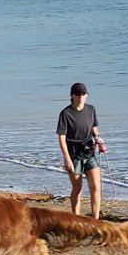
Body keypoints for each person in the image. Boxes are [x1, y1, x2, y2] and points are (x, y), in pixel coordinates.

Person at [56, 82, 105, 219]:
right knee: (77, 189)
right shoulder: (65, 114)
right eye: (78, 94)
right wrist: (66, 158)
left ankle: (95, 220)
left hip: (89, 152)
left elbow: (94, 127)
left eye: (83, 94)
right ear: (72, 96)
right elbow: (61, 137)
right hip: (74, 155)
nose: (81, 97)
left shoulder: (91, 109)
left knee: (96, 187)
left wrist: (98, 139)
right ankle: (75, 219)